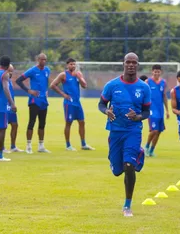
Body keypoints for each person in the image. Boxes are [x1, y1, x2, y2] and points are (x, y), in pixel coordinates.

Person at [98, 52, 151, 217]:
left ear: (137, 64)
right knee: (117, 170)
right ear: (123, 63)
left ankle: (127, 205)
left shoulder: (144, 87)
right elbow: (101, 104)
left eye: (134, 62)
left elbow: (147, 111)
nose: (131, 65)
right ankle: (135, 154)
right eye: (128, 62)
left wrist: (138, 117)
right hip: (115, 131)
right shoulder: (112, 85)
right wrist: (106, 110)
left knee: (129, 165)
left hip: (133, 131)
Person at [50, 58, 95, 151]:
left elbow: (85, 85)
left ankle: (83, 144)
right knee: (68, 123)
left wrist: (79, 77)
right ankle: (68, 145)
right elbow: (52, 85)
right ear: (67, 65)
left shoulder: (78, 74)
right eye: (71, 64)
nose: (73, 66)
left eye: (74, 64)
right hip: (68, 103)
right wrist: (63, 94)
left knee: (82, 122)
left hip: (77, 103)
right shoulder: (63, 75)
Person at [16, 53, 51, 154]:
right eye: (42, 59)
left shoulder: (47, 70)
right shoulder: (32, 70)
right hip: (34, 100)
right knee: (32, 122)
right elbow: (19, 80)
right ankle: (29, 146)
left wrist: (46, 91)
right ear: (38, 59)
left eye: (45, 60)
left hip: (44, 100)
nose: (43, 61)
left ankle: (41, 146)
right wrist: (29, 91)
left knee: (42, 123)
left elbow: (45, 82)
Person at [144, 65, 170, 157]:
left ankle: (151, 150)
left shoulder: (163, 82)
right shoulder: (147, 82)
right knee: (154, 130)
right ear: (152, 72)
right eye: (155, 71)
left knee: (159, 131)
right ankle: (146, 147)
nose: (156, 73)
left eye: (158, 71)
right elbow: (144, 95)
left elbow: (164, 96)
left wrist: (167, 110)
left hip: (160, 110)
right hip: (151, 110)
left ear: (160, 72)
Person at [4, 64, 24, 153]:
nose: (11, 73)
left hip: (11, 107)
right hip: (5, 106)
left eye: (12, 71)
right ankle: (2, 147)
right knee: (3, 127)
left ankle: (13, 146)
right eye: (9, 71)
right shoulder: (3, 80)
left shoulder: (10, 81)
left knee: (15, 125)